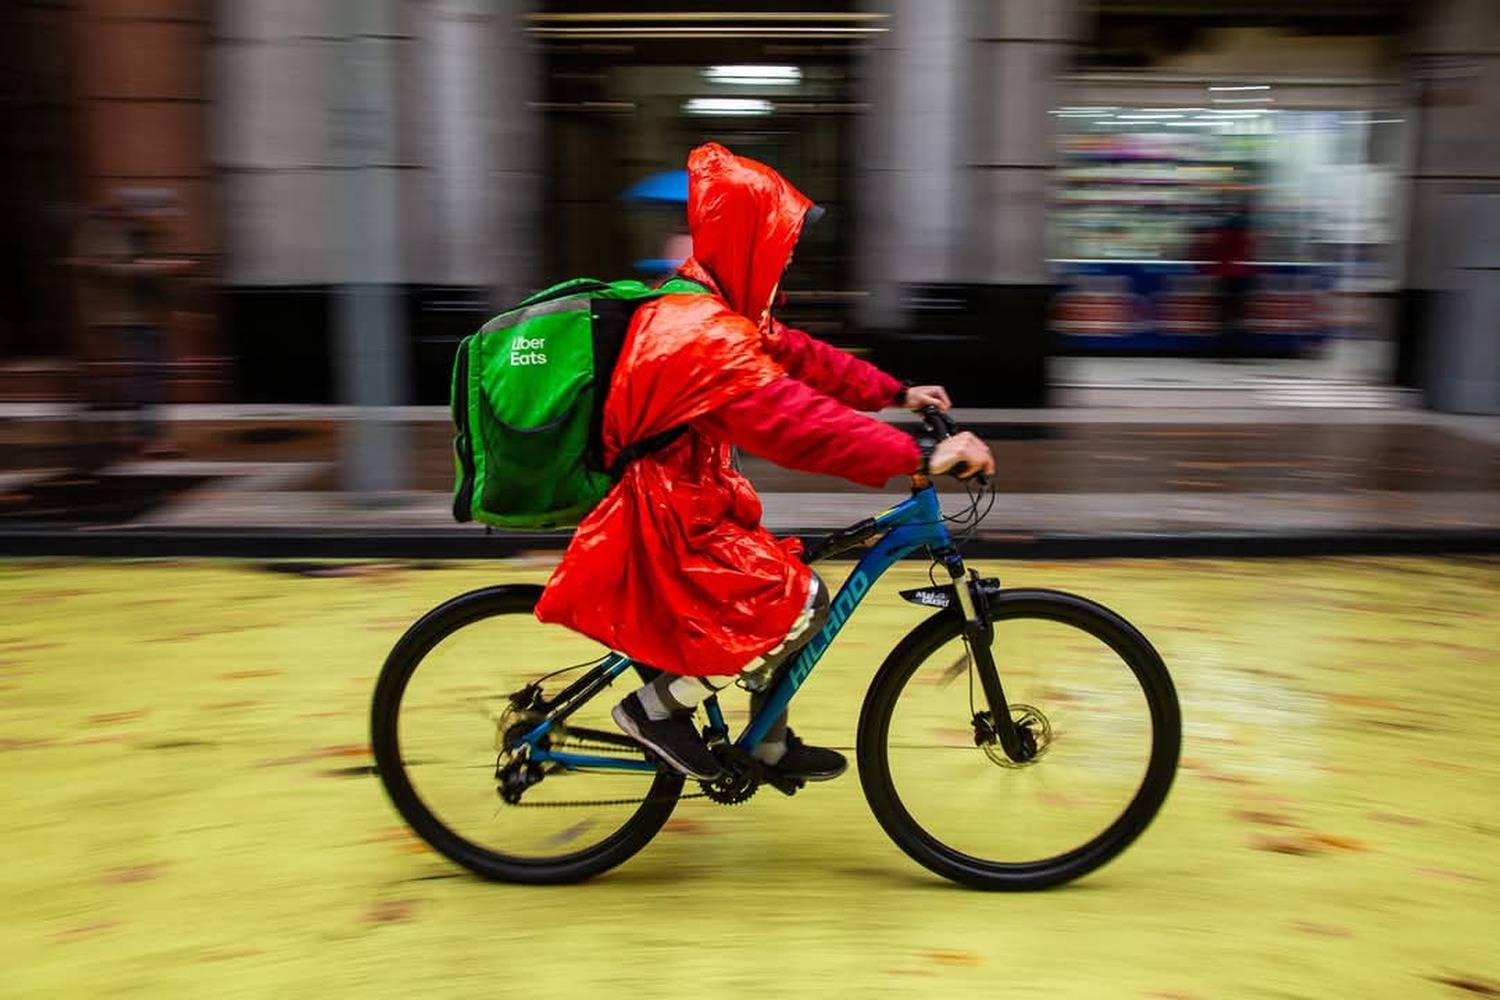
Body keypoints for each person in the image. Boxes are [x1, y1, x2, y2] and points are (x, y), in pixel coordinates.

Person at [535, 143, 994, 782]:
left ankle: (766, 746)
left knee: (792, 584)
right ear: (747, 241)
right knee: (796, 600)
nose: (788, 258)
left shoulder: (722, 308)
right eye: (779, 244)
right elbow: (790, 423)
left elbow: (802, 358)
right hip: (667, 514)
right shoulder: (697, 332)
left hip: (698, 498)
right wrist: (918, 454)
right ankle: (654, 710)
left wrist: (896, 393)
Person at [68, 189, 194, 457]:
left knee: (148, 375)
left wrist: (174, 307)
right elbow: (112, 269)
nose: (154, 217)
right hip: (128, 316)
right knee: (147, 376)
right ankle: (148, 437)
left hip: (149, 315)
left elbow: (153, 276)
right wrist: (159, 268)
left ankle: (138, 432)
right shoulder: (104, 231)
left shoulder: (142, 232)